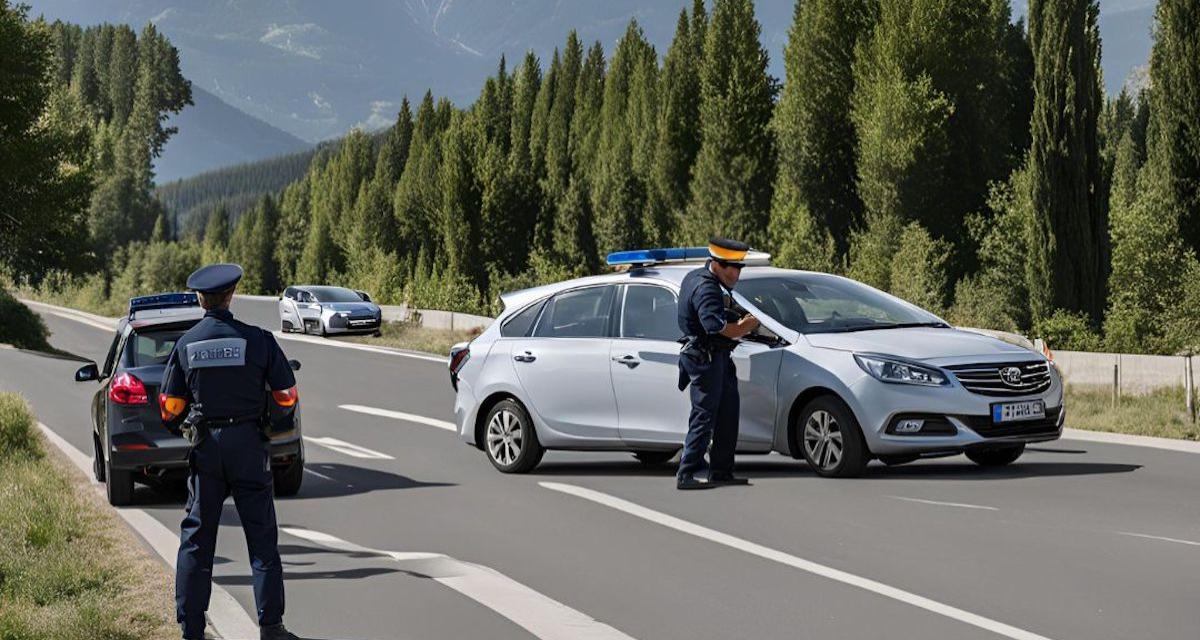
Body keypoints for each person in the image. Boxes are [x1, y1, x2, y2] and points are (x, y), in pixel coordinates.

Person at [160, 263, 301, 640]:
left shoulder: (187, 344)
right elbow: (286, 393)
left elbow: (169, 406)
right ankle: (271, 627)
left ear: (200, 299)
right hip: (249, 446)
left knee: (197, 539)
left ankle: (191, 629)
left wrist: (184, 425)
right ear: (231, 295)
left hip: (206, 448)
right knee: (262, 540)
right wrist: (273, 424)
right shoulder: (258, 340)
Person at [675, 238, 760, 490]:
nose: (736, 273)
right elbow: (716, 327)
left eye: (739, 268)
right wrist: (745, 327)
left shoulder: (699, 277)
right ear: (716, 264)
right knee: (704, 416)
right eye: (730, 268)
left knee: (727, 413)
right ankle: (687, 473)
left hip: (717, 357)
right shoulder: (706, 288)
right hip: (705, 358)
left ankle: (721, 471)